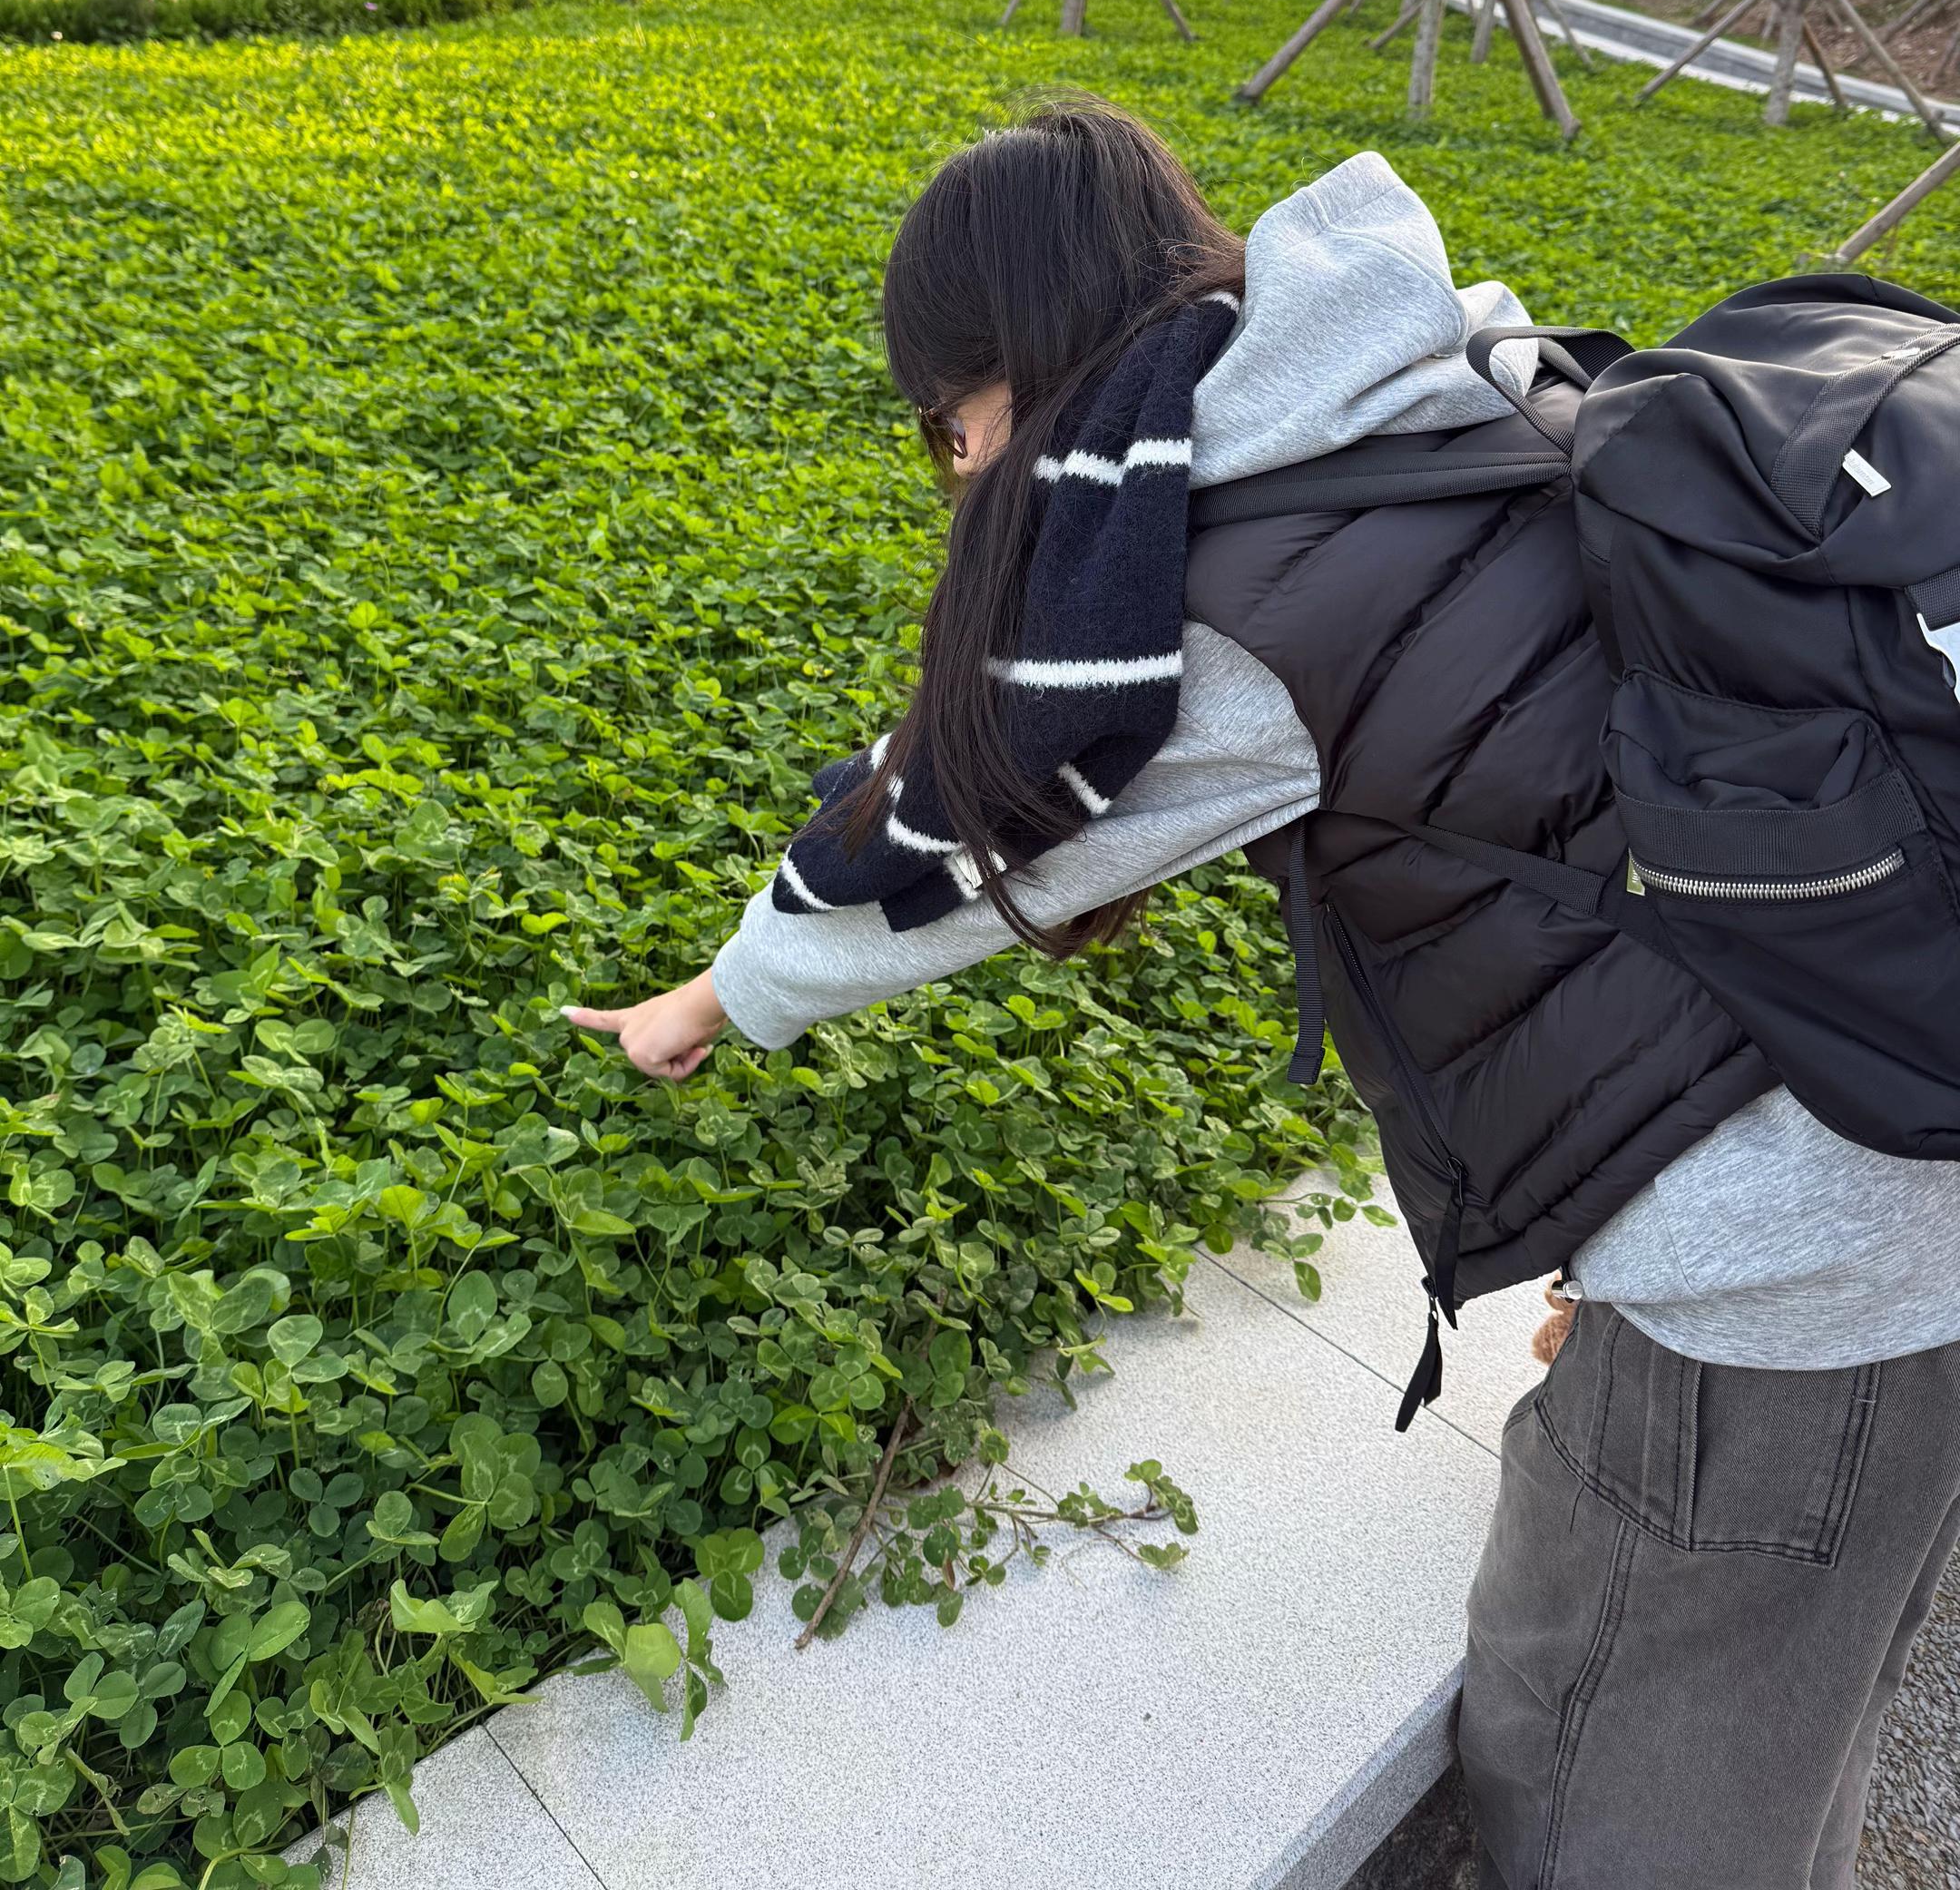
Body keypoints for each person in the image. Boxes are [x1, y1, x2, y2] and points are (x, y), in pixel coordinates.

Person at [568, 97, 1960, 1890]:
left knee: (1611, 1781)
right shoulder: (1415, 368)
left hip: (1796, 1273)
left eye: (944, 420)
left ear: (1003, 379)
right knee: (1793, 1710)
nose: (955, 465)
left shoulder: (1221, 575)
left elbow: (973, 836)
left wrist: (716, 997)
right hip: (1888, 1146)